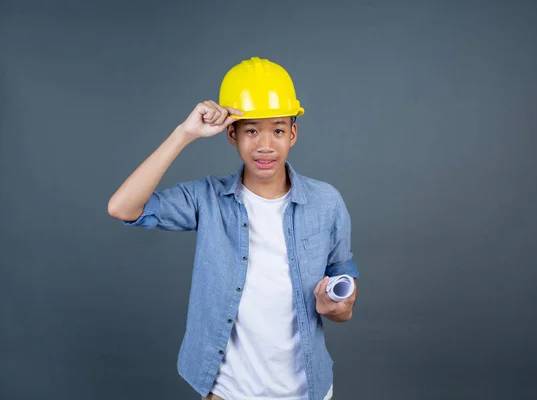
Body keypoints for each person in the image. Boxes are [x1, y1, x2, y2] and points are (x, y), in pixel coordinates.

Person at [108, 57, 359, 400]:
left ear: (293, 133)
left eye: (278, 129)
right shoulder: (207, 199)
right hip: (227, 392)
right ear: (232, 134)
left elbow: (344, 291)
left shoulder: (326, 203)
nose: (265, 145)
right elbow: (122, 208)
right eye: (252, 130)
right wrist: (184, 134)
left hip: (308, 391)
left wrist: (339, 307)